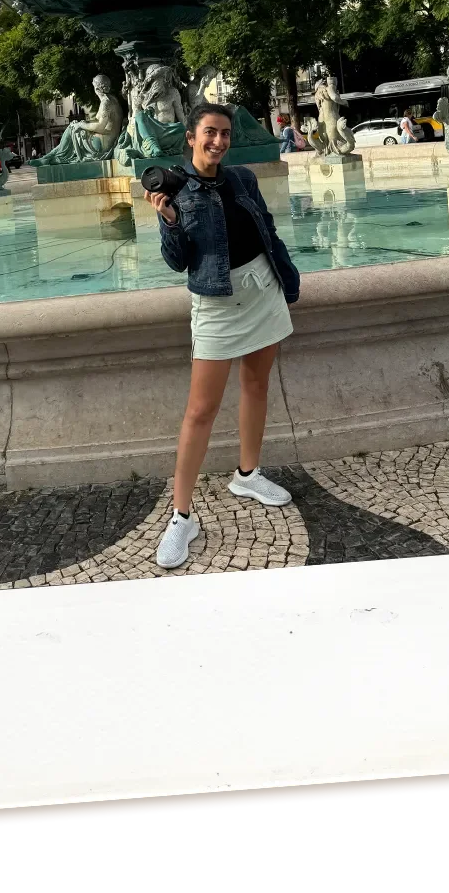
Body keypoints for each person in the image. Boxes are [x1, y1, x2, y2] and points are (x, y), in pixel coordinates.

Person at [148, 103, 301, 570]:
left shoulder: (242, 180)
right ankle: (181, 515)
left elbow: (266, 228)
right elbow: (177, 262)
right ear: (191, 138)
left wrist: (287, 274)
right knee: (200, 410)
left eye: (225, 134)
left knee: (256, 385)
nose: (218, 142)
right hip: (216, 302)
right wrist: (169, 220)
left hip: (262, 288)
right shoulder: (179, 192)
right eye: (209, 133)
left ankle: (248, 473)